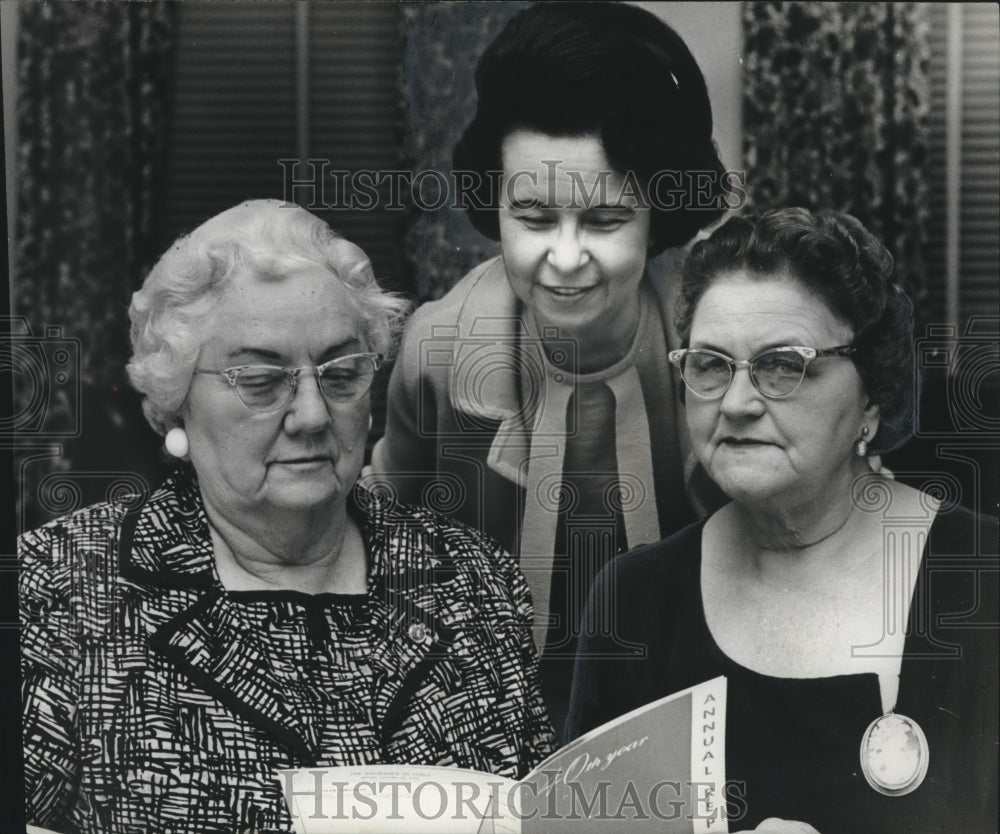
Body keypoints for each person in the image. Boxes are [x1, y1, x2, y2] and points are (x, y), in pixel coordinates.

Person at [18, 200, 555, 834]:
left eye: (341, 373)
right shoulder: (55, 589)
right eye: (261, 380)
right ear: (176, 399)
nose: (312, 415)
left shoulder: (475, 583)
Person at [566, 208, 999, 833]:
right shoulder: (633, 601)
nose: (738, 404)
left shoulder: (983, 580)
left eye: (783, 366)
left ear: (872, 399)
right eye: (711, 366)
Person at [369, 1, 732, 735]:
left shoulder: (720, 342)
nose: (565, 260)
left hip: (699, 703)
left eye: (604, 221)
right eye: (533, 218)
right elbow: (379, 533)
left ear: (658, 215)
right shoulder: (437, 351)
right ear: (493, 201)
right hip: (483, 715)